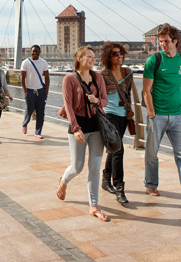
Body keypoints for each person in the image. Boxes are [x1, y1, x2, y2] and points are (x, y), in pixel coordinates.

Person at [143, 23, 181, 206]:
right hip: (158, 116)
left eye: (166, 41)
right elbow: (146, 90)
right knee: (152, 153)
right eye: (160, 41)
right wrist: (152, 113)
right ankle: (151, 184)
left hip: (178, 116)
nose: (163, 44)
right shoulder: (153, 61)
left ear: (175, 41)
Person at [57, 46, 109, 222]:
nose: (92, 60)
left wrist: (97, 100)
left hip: (96, 126)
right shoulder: (69, 79)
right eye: (88, 56)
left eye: (94, 57)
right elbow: (69, 106)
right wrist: (75, 128)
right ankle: (63, 181)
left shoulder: (98, 77)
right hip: (78, 126)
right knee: (77, 167)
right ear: (79, 58)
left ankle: (93, 206)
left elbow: (105, 100)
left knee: (95, 167)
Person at [100, 41, 134, 204]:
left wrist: (130, 112)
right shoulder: (102, 75)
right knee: (119, 150)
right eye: (115, 53)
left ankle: (106, 180)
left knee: (113, 149)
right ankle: (119, 188)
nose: (119, 56)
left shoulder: (128, 72)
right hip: (110, 115)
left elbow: (128, 93)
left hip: (123, 115)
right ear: (108, 57)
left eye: (121, 53)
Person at [21, 44, 50, 139]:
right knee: (30, 110)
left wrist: (46, 91)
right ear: (31, 52)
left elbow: (46, 77)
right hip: (30, 90)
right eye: (33, 51)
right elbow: (22, 78)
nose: (35, 53)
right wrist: (25, 91)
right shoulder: (25, 62)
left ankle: (38, 132)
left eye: (37, 51)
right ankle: (25, 123)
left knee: (41, 112)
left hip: (41, 91)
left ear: (39, 52)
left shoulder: (43, 62)